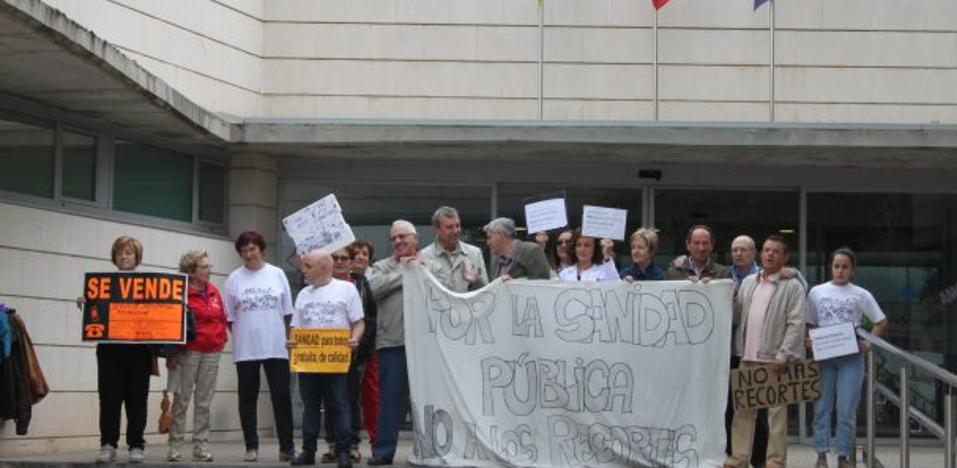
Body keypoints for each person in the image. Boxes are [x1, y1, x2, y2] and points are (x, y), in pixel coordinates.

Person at [725, 235, 807, 468]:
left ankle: (775, 462)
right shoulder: (749, 282)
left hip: (775, 360)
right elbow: (738, 316)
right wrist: (730, 301)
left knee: (776, 418)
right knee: (742, 414)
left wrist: (783, 356)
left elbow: (796, 324)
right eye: (767, 250)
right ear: (761, 254)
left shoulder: (792, 286)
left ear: (785, 257)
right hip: (747, 357)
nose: (770, 254)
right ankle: (738, 459)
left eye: (776, 251)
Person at [808, 248, 888, 468]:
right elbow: (810, 323)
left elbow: (880, 321)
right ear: (830, 267)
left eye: (845, 267)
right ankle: (821, 454)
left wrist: (869, 341)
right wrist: (810, 339)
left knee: (846, 409)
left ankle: (843, 455)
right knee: (822, 406)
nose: (840, 271)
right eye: (836, 266)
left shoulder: (861, 294)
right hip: (825, 356)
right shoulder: (816, 292)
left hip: (851, 357)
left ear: (852, 269)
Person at [367, 220, 440, 465]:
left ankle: (429, 452)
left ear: (415, 239)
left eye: (403, 237)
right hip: (392, 344)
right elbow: (375, 289)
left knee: (427, 401)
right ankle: (383, 453)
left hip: (426, 346)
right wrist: (408, 270)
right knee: (390, 401)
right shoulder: (380, 267)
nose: (398, 242)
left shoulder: (432, 265)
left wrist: (421, 269)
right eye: (394, 238)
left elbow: (444, 292)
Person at [222, 231, 296, 463]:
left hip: (276, 346)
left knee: (281, 396)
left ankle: (287, 447)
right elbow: (229, 317)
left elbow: (288, 313)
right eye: (244, 251)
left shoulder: (277, 274)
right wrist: (243, 336)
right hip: (246, 349)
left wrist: (290, 341)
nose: (248, 254)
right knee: (247, 398)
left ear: (261, 249)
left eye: (252, 249)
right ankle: (251, 446)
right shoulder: (234, 278)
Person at [288, 249, 365, 468]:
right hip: (309, 360)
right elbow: (296, 326)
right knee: (310, 407)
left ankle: (342, 452)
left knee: (340, 405)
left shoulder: (346, 289)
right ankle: (308, 452)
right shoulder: (303, 294)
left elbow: (358, 322)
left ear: (323, 267)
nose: (303, 271)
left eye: (307, 266)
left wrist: (355, 339)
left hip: (336, 359)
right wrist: (292, 341)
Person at [80, 236, 152, 464]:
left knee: (137, 399)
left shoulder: (150, 284)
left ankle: (136, 445)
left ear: (137, 257)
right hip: (109, 349)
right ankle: (108, 444)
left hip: (138, 350)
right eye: (120, 252)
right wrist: (86, 301)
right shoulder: (102, 283)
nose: (124, 256)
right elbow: (96, 310)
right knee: (109, 398)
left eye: (129, 253)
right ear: (114, 256)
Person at [317, 247, 377, 464]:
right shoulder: (319, 283)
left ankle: (351, 445)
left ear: (351, 261)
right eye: (336, 258)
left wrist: (361, 347)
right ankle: (333, 445)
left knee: (350, 400)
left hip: (354, 354)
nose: (340, 261)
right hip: (325, 355)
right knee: (329, 400)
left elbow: (370, 318)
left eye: (345, 258)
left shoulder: (360, 284)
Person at [167, 251, 228, 462]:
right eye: (204, 267)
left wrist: (221, 341)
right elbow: (172, 324)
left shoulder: (213, 291)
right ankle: (175, 447)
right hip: (188, 352)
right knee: (181, 400)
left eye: (209, 266)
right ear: (191, 272)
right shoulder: (181, 293)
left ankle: (201, 447)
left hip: (212, 351)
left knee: (204, 402)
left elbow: (222, 318)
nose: (209, 270)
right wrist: (173, 353)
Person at [726, 235, 768, 468]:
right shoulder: (724, 275)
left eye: (743, 249)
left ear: (754, 252)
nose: (738, 254)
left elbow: (798, 284)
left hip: (756, 352)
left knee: (758, 408)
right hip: (729, 351)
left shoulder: (765, 277)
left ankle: (759, 459)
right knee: (731, 408)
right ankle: (734, 455)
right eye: (734, 250)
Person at [420, 206, 488, 292]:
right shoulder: (424, 256)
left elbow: (486, 292)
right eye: (449, 227)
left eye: (458, 225)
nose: (456, 231)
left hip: (467, 305)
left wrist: (476, 281)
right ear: (436, 229)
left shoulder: (475, 253)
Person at [484, 217, 551, 281]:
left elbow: (542, 283)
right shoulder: (496, 260)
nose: (488, 242)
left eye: (489, 237)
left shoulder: (531, 251)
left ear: (501, 234)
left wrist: (516, 284)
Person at [666, 225, 731, 281]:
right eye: (696, 243)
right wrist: (684, 285)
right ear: (688, 245)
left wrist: (713, 285)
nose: (701, 248)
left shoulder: (723, 273)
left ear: (712, 245)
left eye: (705, 243)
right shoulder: (673, 273)